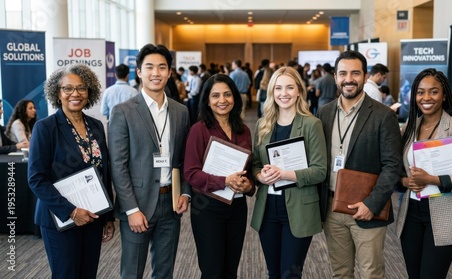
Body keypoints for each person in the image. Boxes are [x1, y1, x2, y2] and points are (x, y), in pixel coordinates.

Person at [317, 50, 402, 278]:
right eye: (343, 73)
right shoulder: (323, 113)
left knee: (370, 273)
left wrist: (372, 204)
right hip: (332, 208)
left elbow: (392, 166)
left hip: (367, 209)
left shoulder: (383, 116)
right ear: (335, 77)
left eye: (355, 73)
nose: (349, 79)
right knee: (340, 273)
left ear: (365, 76)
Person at [108, 43, 191, 279]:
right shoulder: (123, 111)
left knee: (165, 272)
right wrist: (131, 209)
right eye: (150, 67)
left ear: (170, 72)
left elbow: (183, 158)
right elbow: (118, 165)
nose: (156, 73)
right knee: (132, 272)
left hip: (171, 203)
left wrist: (185, 193)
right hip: (138, 204)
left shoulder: (180, 111)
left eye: (162, 67)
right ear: (139, 71)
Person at [28, 64, 115, 278]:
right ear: (57, 94)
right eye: (67, 88)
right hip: (61, 218)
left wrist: (108, 216)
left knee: (88, 274)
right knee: (66, 274)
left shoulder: (96, 126)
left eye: (81, 88)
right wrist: (71, 211)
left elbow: (105, 172)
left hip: (93, 216)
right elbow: (36, 179)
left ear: (89, 92)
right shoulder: (45, 128)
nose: (75, 94)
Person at [396, 68, 452, 279]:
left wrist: (432, 180)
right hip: (411, 214)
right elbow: (396, 170)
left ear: (444, 95)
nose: (426, 98)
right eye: (420, 92)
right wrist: (405, 181)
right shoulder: (409, 127)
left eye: (433, 92)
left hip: (445, 214)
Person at [251, 66, 327, 278]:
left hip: (298, 209)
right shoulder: (262, 124)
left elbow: (320, 171)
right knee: (273, 272)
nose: (283, 93)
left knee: (290, 274)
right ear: (271, 92)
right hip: (268, 209)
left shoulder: (312, 125)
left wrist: (284, 174)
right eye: (278, 88)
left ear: (299, 91)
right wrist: (260, 176)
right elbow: (255, 164)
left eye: (289, 87)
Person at [184, 74, 255, 278]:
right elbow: (191, 173)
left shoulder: (244, 131)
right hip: (207, 207)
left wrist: (248, 186)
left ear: (235, 98)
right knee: (212, 270)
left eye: (227, 94)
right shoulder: (199, 130)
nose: (222, 100)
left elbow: (249, 170)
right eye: (215, 95)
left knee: (230, 269)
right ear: (207, 100)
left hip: (237, 207)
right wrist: (224, 181)